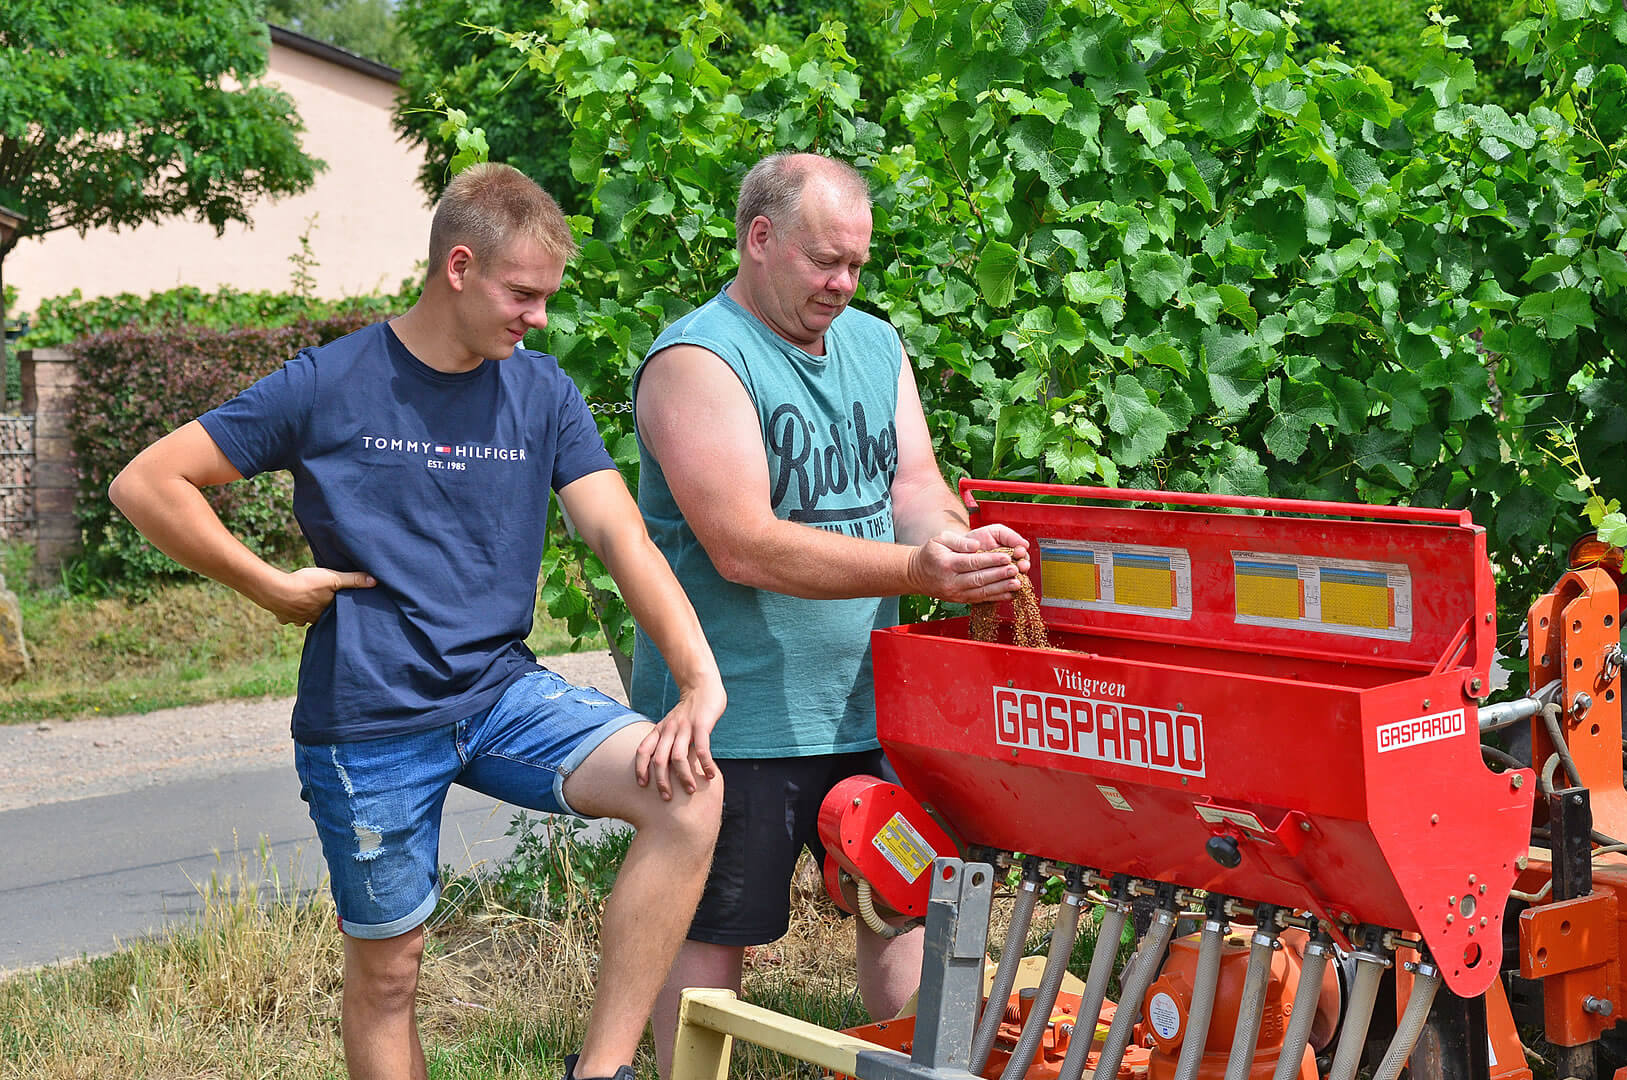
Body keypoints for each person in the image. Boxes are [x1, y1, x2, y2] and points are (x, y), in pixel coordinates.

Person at [108, 162, 725, 1080]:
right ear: (460, 267)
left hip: (501, 692)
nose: (539, 317)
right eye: (525, 293)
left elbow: (618, 535)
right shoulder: (331, 381)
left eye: (549, 297)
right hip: (371, 716)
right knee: (391, 974)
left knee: (687, 791)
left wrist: (698, 678)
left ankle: (603, 1071)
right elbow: (147, 482)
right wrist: (268, 585)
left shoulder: (542, 392)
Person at [630, 151, 1030, 1075]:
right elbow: (743, 543)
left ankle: (921, 1065)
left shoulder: (874, 344)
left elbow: (915, 482)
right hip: (742, 716)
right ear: (760, 239)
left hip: (874, 699)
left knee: (904, 892)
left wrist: (953, 545)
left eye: (857, 263)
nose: (844, 284)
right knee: (713, 927)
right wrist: (913, 567)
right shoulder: (698, 361)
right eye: (825, 262)